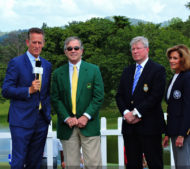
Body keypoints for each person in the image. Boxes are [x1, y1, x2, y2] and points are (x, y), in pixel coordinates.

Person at [2, 27, 52, 169]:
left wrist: (47, 113)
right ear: (27, 42)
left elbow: (47, 92)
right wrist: (28, 90)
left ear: (43, 43)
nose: (37, 46)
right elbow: (6, 90)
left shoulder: (47, 65)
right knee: (18, 161)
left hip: (41, 120)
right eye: (34, 42)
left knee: (35, 162)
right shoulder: (16, 63)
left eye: (40, 43)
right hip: (21, 121)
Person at [51, 36, 104, 168]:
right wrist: (67, 118)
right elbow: (55, 99)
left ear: (82, 50)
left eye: (76, 48)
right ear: (65, 51)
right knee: (71, 165)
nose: (73, 50)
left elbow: (98, 96)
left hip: (89, 125)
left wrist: (86, 116)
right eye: (69, 48)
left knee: (93, 164)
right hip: (68, 127)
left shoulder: (93, 70)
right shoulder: (58, 73)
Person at [116, 36, 166, 169]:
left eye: (138, 48)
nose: (135, 51)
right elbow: (119, 96)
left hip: (150, 126)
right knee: (132, 164)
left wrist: (136, 113)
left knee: (154, 163)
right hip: (130, 128)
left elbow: (155, 96)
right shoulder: (127, 71)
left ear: (147, 49)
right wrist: (126, 113)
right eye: (132, 49)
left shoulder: (158, 70)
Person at [162, 44, 190, 169]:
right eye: (170, 58)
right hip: (174, 128)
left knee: (182, 164)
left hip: (184, 129)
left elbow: (188, 108)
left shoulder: (189, 77)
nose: (171, 60)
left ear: (183, 59)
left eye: (175, 58)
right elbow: (172, 108)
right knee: (179, 164)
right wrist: (168, 134)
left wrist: (182, 134)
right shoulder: (175, 77)